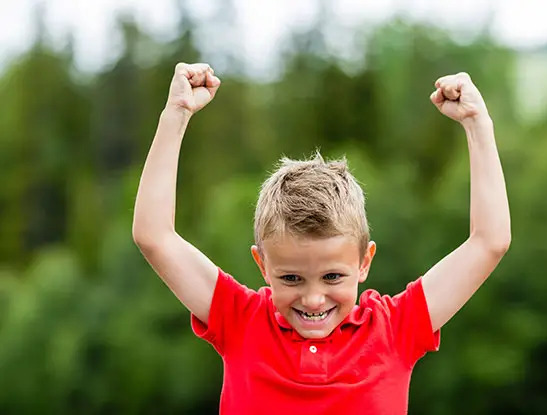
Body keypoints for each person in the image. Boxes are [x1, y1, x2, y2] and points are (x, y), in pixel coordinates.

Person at [132, 62, 511, 414]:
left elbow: (489, 242)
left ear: (365, 261)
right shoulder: (240, 321)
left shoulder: (396, 329)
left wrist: (479, 125)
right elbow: (154, 236)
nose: (313, 299)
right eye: (291, 278)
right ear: (262, 264)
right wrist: (176, 115)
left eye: (332, 277)